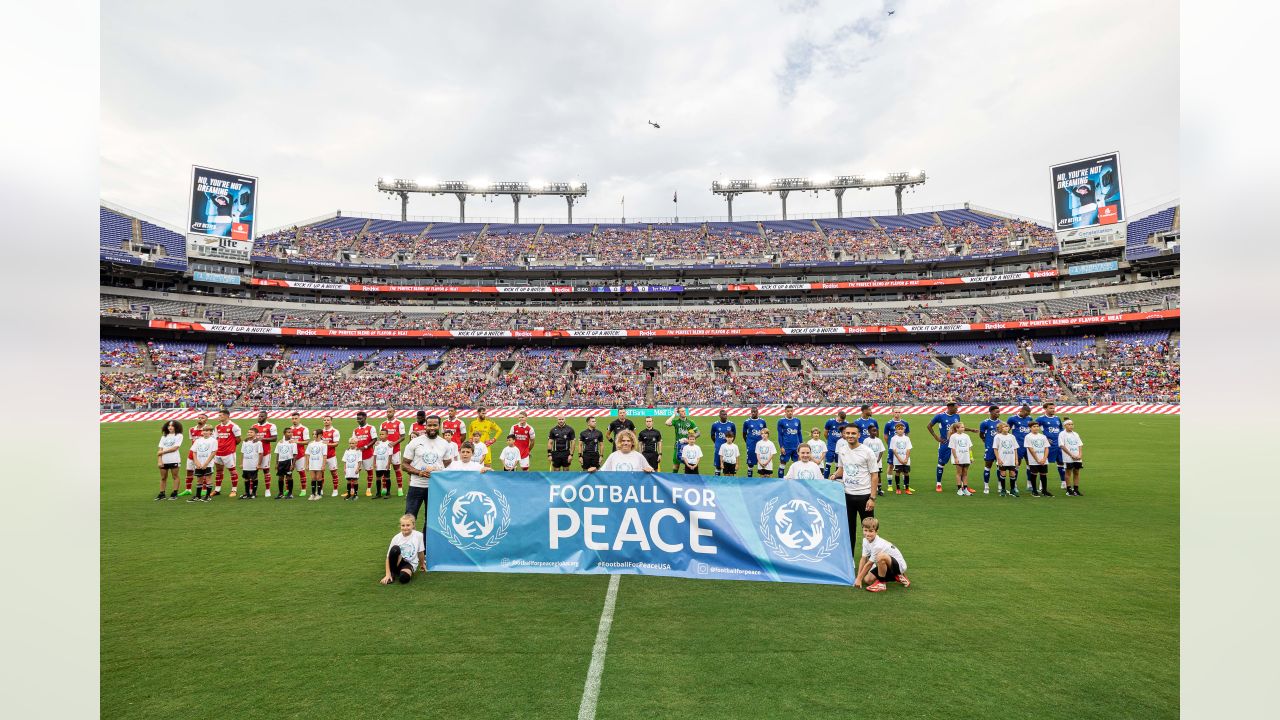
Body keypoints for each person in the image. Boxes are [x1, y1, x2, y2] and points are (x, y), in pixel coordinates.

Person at [833, 425, 880, 546]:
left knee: (869, 529)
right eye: (847, 433)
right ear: (844, 434)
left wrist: (872, 498)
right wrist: (833, 476)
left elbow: (874, 475)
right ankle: (850, 559)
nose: (850, 436)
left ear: (859, 435)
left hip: (864, 496)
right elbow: (841, 469)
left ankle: (871, 556)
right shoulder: (842, 450)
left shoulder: (867, 452)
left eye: (853, 433)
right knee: (849, 529)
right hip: (847, 496)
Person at [402, 415, 453, 521]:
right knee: (409, 517)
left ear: (439, 426)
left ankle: (427, 538)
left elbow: (448, 464)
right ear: (425, 426)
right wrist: (419, 472)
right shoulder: (415, 442)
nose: (432, 428)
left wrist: (438, 471)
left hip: (435, 486)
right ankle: (410, 538)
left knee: (431, 519)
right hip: (416, 485)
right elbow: (404, 464)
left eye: (435, 425)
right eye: (429, 425)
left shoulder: (445, 444)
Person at [927, 401, 976, 493]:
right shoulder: (940, 416)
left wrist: (971, 430)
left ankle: (964, 486)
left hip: (957, 444)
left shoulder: (957, 416)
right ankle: (938, 484)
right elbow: (929, 426)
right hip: (945, 443)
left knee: (961, 464)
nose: (957, 409)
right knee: (941, 463)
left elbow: (960, 428)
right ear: (950, 407)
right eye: (956, 407)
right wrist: (936, 437)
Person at [853, 517, 910, 592]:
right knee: (867, 580)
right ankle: (897, 577)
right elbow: (863, 558)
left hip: (899, 566)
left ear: (876, 531)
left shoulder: (878, 545)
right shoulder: (865, 541)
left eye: (871, 531)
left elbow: (869, 564)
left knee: (880, 556)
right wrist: (858, 577)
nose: (867, 534)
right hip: (888, 565)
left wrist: (859, 579)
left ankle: (882, 584)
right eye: (865, 530)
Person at [380, 514, 425, 586]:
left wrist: (422, 564)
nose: (405, 528)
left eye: (408, 525)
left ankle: (398, 572)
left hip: (409, 564)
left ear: (413, 525)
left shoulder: (419, 535)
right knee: (395, 549)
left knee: (404, 579)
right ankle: (392, 574)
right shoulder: (396, 538)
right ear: (400, 526)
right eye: (403, 525)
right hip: (398, 561)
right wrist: (387, 574)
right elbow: (388, 557)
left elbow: (420, 552)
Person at [1034, 401, 1066, 489]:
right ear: (1045, 409)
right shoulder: (1040, 419)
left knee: (1061, 463)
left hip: (1059, 445)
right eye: (1051, 408)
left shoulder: (1057, 418)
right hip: (1048, 446)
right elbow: (1033, 428)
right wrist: (1044, 438)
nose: (1053, 410)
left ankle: (1063, 482)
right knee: (1044, 464)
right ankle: (1041, 484)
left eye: (1053, 408)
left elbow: (1061, 429)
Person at [212, 409, 242, 497]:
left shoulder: (234, 426)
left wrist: (230, 446)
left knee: (232, 471)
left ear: (226, 416)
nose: (218, 417)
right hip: (218, 452)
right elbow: (216, 439)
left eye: (220, 415)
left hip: (229, 452)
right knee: (219, 471)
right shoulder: (217, 427)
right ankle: (217, 490)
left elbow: (238, 439)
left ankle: (234, 490)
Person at [1006, 405, 1035, 492]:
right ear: (1021, 410)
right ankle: (1014, 485)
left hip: (1029, 445)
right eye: (1026, 413)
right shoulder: (1012, 419)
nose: (1027, 415)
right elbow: (1007, 430)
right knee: (1017, 465)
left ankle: (1029, 484)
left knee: (1030, 464)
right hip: (1018, 445)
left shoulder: (1029, 418)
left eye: (1028, 414)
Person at [250, 410, 277, 498]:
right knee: (253, 472)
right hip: (255, 453)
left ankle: (267, 490)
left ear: (266, 417)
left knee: (266, 471)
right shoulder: (254, 426)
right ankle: (253, 490)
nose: (260, 418)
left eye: (262, 416)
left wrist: (262, 439)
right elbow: (250, 437)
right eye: (259, 416)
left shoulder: (271, 426)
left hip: (266, 452)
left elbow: (274, 438)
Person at [380, 408, 407, 497]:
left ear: (394, 412)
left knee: (397, 469)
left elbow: (403, 436)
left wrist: (394, 443)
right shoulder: (383, 424)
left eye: (390, 412)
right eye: (387, 412)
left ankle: (400, 488)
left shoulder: (399, 423)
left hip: (395, 450)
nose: (388, 413)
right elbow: (381, 437)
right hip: (385, 452)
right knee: (385, 469)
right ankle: (384, 488)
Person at [182, 413, 209, 496]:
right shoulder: (192, 429)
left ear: (206, 420)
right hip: (192, 453)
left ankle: (204, 489)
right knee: (189, 471)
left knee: (203, 472)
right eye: (199, 417)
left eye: (202, 418)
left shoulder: (208, 429)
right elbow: (192, 441)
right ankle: (188, 489)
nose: (200, 419)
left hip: (203, 454)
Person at [351, 411, 377, 497]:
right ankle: (352, 490)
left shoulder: (371, 428)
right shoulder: (355, 430)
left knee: (369, 471)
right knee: (355, 471)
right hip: (357, 455)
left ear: (365, 418)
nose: (358, 420)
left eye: (360, 418)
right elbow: (353, 441)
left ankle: (368, 489)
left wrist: (365, 447)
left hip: (368, 454)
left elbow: (374, 439)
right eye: (357, 418)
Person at [1023, 421, 1053, 497]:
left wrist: (1044, 458)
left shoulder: (1043, 436)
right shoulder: (1028, 436)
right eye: (1034, 426)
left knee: (1043, 474)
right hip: (1034, 460)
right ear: (1030, 428)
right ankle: (1034, 490)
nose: (1036, 428)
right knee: (1034, 474)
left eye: (1037, 426)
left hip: (1043, 459)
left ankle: (1044, 490)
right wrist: (1037, 459)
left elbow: (1046, 448)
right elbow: (1030, 449)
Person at [188, 426, 217, 502]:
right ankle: (198, 496)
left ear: (211, 432)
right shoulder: (198, 440)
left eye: (207, 431)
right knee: (199, 479)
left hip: (208, 464)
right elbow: (194, 452)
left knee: (208, 479)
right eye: (204, 431)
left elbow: (213, 452)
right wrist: (196, 462)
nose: (205, 432)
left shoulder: (213, 441)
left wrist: (206, 463)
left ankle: (208, 496)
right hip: (199, 463)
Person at [978, 405, 1003, 493]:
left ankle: (1000, 485)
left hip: (1000, 449)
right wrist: (986, 441)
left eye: (999, 412)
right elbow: (981, 434)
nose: (998, 413)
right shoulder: (984, 423)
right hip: (990, 448)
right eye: (996, 412)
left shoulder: (1001, 423)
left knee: (1000, 467)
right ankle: (986, 486)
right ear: (991, 412)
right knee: (988, 466)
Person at [156, 420, 183, 500]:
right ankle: (162, 493)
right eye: (169, 425)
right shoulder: (164, 437)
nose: (170, 427)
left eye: (172, 426)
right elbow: (159, 449)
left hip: (174, 459)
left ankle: (174, 493)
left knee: (175, 476)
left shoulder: (179, 435)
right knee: (163, 477)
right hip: (164, 460)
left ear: (176, 427)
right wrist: (159, 460)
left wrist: (163, 451)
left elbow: (175, 448)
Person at [993, 422, 1020, 497]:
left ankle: (1012, 490)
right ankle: (1003, 489)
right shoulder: (997, 437)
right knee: (1003, 473)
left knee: (1012, 473)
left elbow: (1015, 449)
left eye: (1007, 426)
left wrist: (1016, 459)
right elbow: (995, 449)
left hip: (1011, 459)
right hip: (1002, 458)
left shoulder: (1012, 436)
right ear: (1001, 428)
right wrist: (998, 459)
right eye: (1004, 427)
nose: (1006, 428)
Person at [948, 423, 976, 495]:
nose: (963, 429)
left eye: (963, 427)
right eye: (961, 427)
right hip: (959, 457)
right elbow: (953, 448)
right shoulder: (953, 436)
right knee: (959, 473)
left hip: (966, 457)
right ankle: (959, 489)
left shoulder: (966, 436)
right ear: (957, 428)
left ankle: (965, 489)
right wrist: (956, 458)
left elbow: (969, 447)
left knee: (965, 473)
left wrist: (971, 457)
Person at [285, 412, 309, 497]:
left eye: (296, 418)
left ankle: (303, 489)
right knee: (288, 473)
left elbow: (307, 442)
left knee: (301, 472)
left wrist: (297, 441)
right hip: (289, 456)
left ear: (299, 418)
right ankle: (288, 489)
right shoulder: (289, 429)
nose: (294, 420)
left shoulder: (304, 429)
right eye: (293, 419)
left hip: (300, 455)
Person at [1059, 419, 1085, 496]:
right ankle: (1069, 489)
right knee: (1068, 472)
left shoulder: (1075, 434)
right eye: (1069, 424)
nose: (1071, 426)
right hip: (1068, 457)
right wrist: (1071, 455)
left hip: (1077, 456)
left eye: (1072, 424)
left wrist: (1080, 454)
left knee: (1077, 472)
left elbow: (1080, 445)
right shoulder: (1062, 434)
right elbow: (1062, 446)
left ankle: (1076, 489)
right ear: (1065, 425)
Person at [319, 416, 342, 496]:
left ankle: (335, 490)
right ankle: (320, 489)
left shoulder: (335, 431)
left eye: (328, 420)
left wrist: (326, 443)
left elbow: (336, 444)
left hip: (331, 456)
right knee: (320, 473)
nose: (326, 421)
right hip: (321, 456)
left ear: (331, 421)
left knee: (334, 473)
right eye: (324, 420)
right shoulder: (320, 431)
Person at [775, 405, 803, 473]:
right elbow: (780, 435)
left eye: (791, 411)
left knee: (797, 465)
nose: (790, 412)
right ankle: (780, 481)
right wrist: (781, 446)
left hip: (796, 447)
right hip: (786, 447)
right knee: (782, 464)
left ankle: (796, 481)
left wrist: (801, 445)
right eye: (788, 411)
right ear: (785, 411)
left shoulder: (797, 421)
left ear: (793, 411)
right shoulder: (781, 421)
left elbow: (799, 433)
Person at [709, 409, 736, 477]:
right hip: (718, 447)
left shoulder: (731, 424)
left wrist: (730, 443)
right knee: (718, 465)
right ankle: (717, 480)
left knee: (728, 464)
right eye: (723, 415)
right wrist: (717, 442)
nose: (725, 416)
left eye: (726, 414)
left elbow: (734, 435)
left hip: (728, 448)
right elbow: (712, 435)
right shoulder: (715, 425)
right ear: (719, 416)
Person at [823, 410, 850, 479]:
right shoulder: (830, 422)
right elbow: (825, 433)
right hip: (831, 447)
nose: (841, 422)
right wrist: (829, 440)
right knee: (828, 465)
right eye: (840, 420)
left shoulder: (846, 423)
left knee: (839, 466)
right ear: (837, 416)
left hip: (841, 448)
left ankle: (837, 480)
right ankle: (825, 480)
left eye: (842, 420)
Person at [888, 423, 913, 494]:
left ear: (904, 430)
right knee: (898, 472)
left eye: (902, 429)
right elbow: (894, 450)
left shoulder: (907, 438)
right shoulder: (893, 439)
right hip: (897, 460)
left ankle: (907, 488)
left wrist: (906, 459)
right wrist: (899, 459)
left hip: (906, 460)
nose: (900, 430)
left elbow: (908, 449)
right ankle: (898, 488)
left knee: (906, 473)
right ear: (896, 430)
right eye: (899, 429)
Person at [239, 428, 264, 500]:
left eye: (251, 432)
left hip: (253, 463)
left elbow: (260, 453)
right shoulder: (245, 442)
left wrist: (259, 464)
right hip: (246, 464)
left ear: (256, 434)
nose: (249, 433)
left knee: (254, 478)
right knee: (246, 479)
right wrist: (241, 463)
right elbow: (242, 453)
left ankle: (253, 493)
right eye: (248, 432)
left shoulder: (258, 442)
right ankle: (247, 493)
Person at [742, 407, 767, 478]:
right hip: (751, 444)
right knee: (750, 463)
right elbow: (744, 434)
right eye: (752, 412)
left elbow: (765, 432)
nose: (753, 413)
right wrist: (748, 442)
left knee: (762, 461)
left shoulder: (762, 421)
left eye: (754, 412)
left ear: (757, 412)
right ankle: (750, 479)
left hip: (761, 445)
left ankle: (762, 478)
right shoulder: (747, 422)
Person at [863, 426, 887, 496]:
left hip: (878, 462)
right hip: (869, 461)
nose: (875, 432)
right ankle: (870, 488)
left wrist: (878, 459)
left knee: (878, 475)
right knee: (869, 474)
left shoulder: (879, 440)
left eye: (876, 431)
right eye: (873, 431)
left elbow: (881, 451)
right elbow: (864, 451)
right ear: (869, 432)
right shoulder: (866, 441)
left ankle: (879, 489)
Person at [305, 430, 328, 501]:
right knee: (313, 478)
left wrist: (323, 465)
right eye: (313, 434)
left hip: (319, 463)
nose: (314, 436)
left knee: (319, 478)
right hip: (312, 463)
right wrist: (307, 464)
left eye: (316, 434)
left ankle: (318, 494)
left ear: (320, 435)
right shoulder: (310, 444)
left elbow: (325, 456)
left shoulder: (323, 444)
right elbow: (307, 454)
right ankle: (313, 494)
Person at [275, 426, 296, 500]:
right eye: (288, 432)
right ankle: (280, 493)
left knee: (289, 477)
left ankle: (290, 493)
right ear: (284, 433)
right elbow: (277, 453)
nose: (290, 434)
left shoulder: (293, 443)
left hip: (288, 461)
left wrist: (293, 464)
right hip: (281, 462)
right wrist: (276, 463)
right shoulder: (280, 442)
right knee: (280, 477)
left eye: (291, 432)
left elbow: (295, 454)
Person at [373, 430, 394, 498]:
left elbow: (390, 455)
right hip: (379, 464)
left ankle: (388, 493)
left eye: (383, 434)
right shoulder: (377, 444)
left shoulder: (389, 444)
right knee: (378, 478)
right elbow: (375, 454)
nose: (381, 435)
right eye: (380, 434)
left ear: (387, 435)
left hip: (385, 464)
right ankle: (378, 493)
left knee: (387, 478)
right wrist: (374, 463)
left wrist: (388, 464)